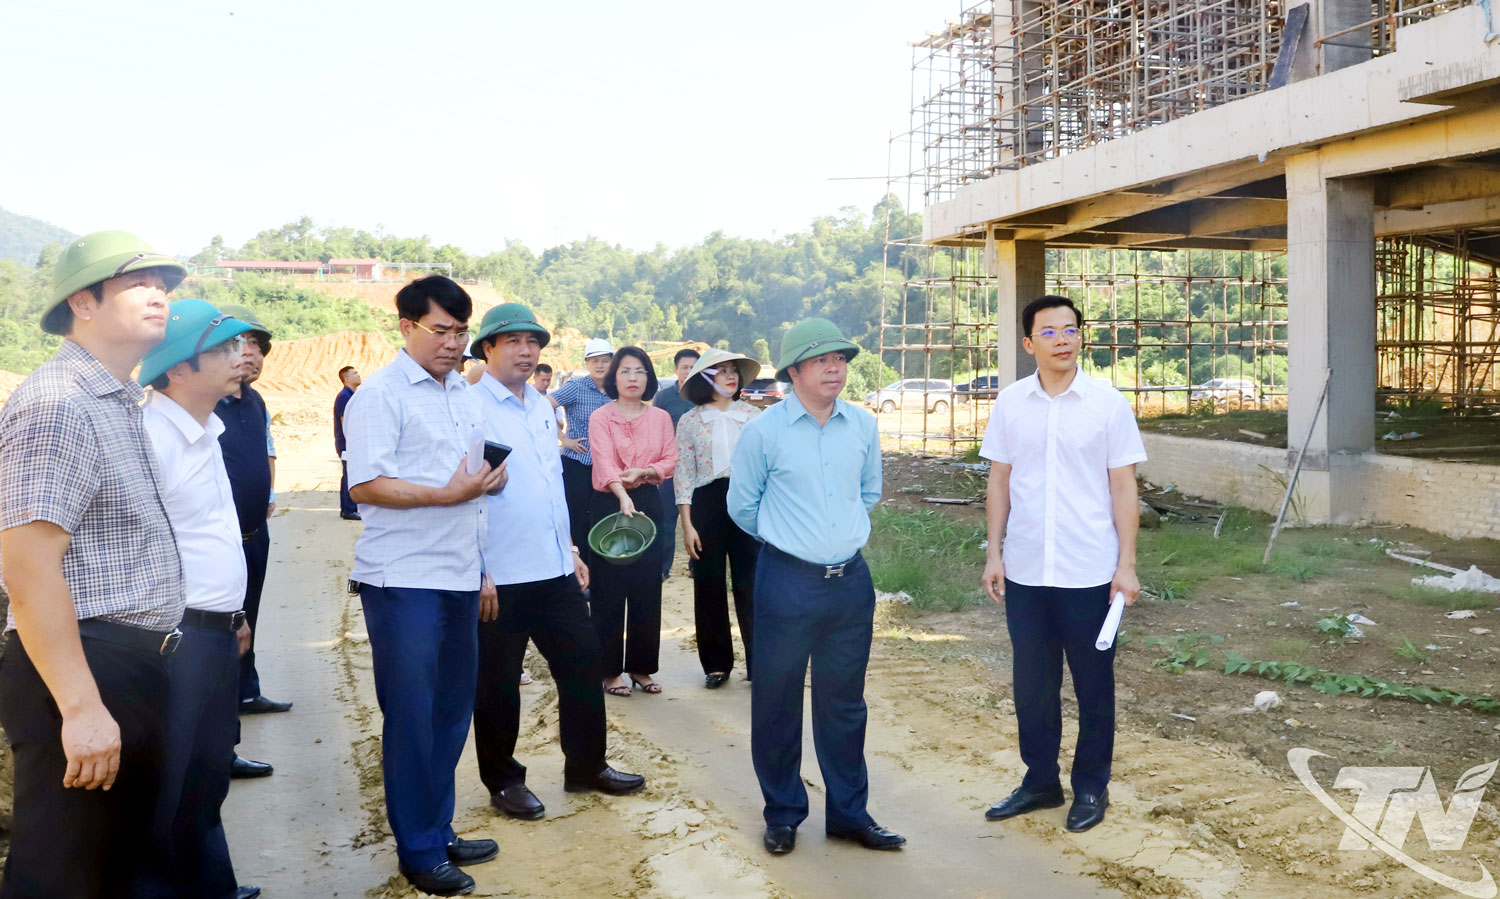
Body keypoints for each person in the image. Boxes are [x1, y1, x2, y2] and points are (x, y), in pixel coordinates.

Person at [0, 230, 188, 898]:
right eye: (139, 282)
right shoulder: (59, 405)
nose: (159, 295)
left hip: (124, 663)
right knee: (64, 873)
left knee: (109, 868)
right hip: (83, 663)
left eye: (164, 284)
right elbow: (27, 567)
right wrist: (80, 706)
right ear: (83, 300)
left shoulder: (113, 400)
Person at [344, 276, 506, 897]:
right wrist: (446, 494)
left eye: (461, 332)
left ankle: (437, 830)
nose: (452, 343)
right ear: (406, 327)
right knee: (412, 716)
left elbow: (471, 474)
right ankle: (417, 851)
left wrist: (489, 480)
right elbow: (366, 485)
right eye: (441, 330)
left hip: (459, 573)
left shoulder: (462, 395)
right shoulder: (380, 396)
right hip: (403, 578)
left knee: (448, 711)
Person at [728, 318, 905, 857]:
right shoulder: (765, 430)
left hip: (849, 582)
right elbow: (743, 506)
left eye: (842, 359)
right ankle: (783, 813)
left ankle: (850, 815)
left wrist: (832, 541)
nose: (836, 368)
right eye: (822, 360)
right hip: (786, 582)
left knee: (845, 704)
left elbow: (869, 491)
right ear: (795, 371)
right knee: (777, 700)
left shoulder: (863, 425)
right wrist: (790, 542)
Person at [467, 304, 646, 822]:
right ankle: (503, 781)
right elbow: (465, 497)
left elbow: (550, 488)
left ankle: (586, 766)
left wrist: (569, 549)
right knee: (498, 684)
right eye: (513, 341)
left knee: (583, 663)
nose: (526, 351)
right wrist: (478, 570)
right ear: (488, 348)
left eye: (533, 342)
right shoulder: (470, 407)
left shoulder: (544, 406)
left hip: (553, 570)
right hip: (499, 576)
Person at [979, 295, 1146, 834]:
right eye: (1048, 332)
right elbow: (1000, 481)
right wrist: (993, 553)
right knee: (1032, 683)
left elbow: (1124, 486)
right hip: (1026, 570)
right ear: (1029, 344)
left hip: (1090, 572)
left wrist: (1127, 565)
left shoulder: (1106, 403)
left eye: (1070, 330)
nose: (1062, 339)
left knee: (1094, 685)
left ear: (1081, 337)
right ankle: (1040, 782)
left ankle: (1091, 788)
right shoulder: (1010, 403)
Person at [137, 299, 262, 899]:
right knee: (168, 783)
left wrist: (233, 616)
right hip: (171, 637)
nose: (241, 357)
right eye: (222, 349)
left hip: (213, 632)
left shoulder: (205, 430)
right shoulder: (149, 437)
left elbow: (205, 536)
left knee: (207, 775)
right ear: (178, 368)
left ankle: (211, 885)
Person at [213, 304, 288, 783]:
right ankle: (221, 749)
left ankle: (247, 691)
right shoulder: (206, 402)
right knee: (219, 638)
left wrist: (268, 493)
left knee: (249, 621)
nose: (252, 355)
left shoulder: (254, 402)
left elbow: (263, 452)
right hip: (217, 545)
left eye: (258, 347)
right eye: (241, 345)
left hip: (252, 535)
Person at [587, 347, 676, 697]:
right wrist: (622, 494)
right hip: (610, 501)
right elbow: (603, 461)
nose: (633, 378)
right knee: (608, 588)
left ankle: (640, 667)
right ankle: (609, 671)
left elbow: (670, 458)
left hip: (648, 501)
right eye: (625, 371)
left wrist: (648, 471)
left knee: (646, 586)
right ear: (614, 377)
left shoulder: (661, 418)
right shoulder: (601, 416)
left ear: (649, 377)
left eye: (640, 371)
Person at [674, 349, 760, 688]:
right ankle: (716, 663)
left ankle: (760, 662)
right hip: (707, 502)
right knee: (708, 583)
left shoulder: (753, 416)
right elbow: (684, 473)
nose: (730, 376)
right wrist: (687, 523)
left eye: (733, 371)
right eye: (721, 371)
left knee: (751, 583)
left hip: (746, 499)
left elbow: (763, 467)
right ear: (704, 380)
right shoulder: (690, 421)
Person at [549, 338, 614, 568]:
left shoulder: (617, 390)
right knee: (577, 516)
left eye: (605, 360)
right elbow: (544, 405)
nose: (600, 365)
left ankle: (601, 568)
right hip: (577, 461)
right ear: (587, 363)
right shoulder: (576, 387)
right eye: (594, 361)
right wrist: (563, 438)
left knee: (604, 516)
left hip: (607, 465)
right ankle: (579, 568)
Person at [651, 347, 700, 580]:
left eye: (693, 367)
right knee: (667, 520)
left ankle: (696, 566)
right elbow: (654, 430)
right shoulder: (663, 397)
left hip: (701, 470)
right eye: (685, 367)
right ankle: (662, 567)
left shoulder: (705, 395)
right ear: (676, 370)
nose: (689, 371)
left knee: (700, 519)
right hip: (671, 469)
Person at [334, 364, 362, 520]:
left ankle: (349, 508)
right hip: (347, 443)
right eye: (355, 373)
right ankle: (349, 509)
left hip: (350, 442)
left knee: (349, 474)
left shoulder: (351, 395)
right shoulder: (345, 397)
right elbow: (346, 422)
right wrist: (353, 443)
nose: (358, 375)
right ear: (346, 379)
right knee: (349, 474)